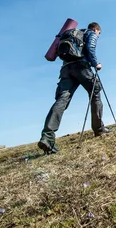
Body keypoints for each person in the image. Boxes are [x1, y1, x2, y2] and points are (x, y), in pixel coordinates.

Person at [38, 22, 110, 154]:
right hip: (81, 67)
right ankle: (99, 129)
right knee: (95, 93)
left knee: (62, 100)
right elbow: (90, 47)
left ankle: (47, 138)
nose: (97, 35)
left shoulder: (71, 34)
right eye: (98, 33)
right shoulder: (91, 33)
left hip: (66, 70)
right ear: (95, 29)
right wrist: (96, 64)